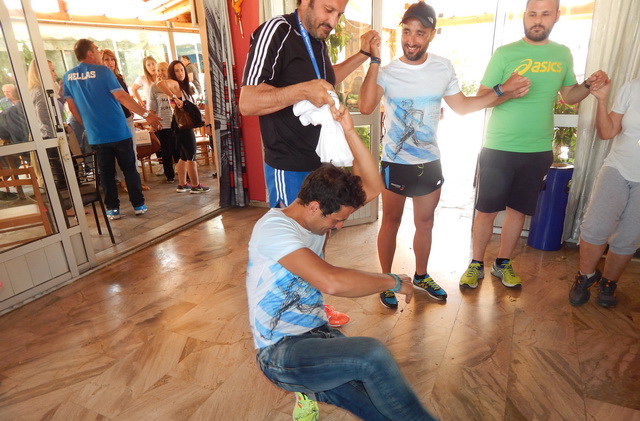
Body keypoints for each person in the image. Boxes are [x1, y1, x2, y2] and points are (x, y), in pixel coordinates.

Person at [247, 104, 517, 421]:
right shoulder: (273, 230)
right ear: (313, 206)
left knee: (385, 415)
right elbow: (331, 281)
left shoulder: (316, 213)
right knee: (371, 357)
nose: (339, 227)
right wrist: (390, 280)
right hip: (279, 353)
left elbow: (373, 186)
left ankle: (310, 388)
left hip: (316, 335)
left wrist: (348, 128)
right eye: (337, 220)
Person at [359, 2, 530, 309]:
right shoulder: (387, 72)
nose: (412, 40)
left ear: (431, 35)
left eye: (420, 33)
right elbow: (365, 106)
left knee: (425, 223)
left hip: (429, 162)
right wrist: (374, 61)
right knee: (391, 222)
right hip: (395, 162)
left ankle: (421, 276)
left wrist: (501, 91)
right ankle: (386, 281)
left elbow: (462, 106)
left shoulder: (442, 68)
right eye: (407, 31)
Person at [240, 0, 380, 327]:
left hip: (319, 162)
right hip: (288, 163)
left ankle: (311, 301)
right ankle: (288, 313)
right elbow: (247, 102)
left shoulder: (317, 40)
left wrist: (362, 55)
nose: (333, 20)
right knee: (294, 243)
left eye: (339, 14)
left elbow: (326, 81)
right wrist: (303, 90)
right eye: (328, 10)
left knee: (320, 233)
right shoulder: (277, 31)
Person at [459, 0, 608, 290]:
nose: (537, 20)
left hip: (538, 150)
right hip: (499, 146)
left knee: (518, 210)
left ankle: (503, 263)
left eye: (545, 14)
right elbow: (481, 98)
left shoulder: (562, 53)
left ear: (557, 17)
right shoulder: (505, 53)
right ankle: (476, 263)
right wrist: (506, 91)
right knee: (486, 211)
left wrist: (589, 85)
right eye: (532, 14)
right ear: (524, 16)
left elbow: (569, 96)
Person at [63, 39, 162, 220]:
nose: (99, 52)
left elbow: (72, 106)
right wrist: (147, 115)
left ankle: (112, 209)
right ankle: (138, 205)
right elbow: (121, 97)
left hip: (96, 134)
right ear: (90, 53)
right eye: (96, 49)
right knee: (129, 168)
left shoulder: (68, 76)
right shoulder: (103, 72)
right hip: (118, 130)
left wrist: (87, 125)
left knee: (106, 172)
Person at [569, 76, 640, 308]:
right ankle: (585, 276)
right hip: (618, 167)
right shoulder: (632, 87)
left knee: (629, 236)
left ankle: (609, 282)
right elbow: (607, 132)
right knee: (595, 226)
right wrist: (601, 100)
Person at [101, 48, 150, 192]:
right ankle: (124, 181)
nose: (110, 62)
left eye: (112, 59)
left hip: (126, 117)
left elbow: (126, 96)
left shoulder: (119, 78)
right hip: (114, 120)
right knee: (119, 152)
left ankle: (134, 181)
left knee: (132, 150)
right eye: (106, 59)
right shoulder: (102, 80)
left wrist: (131, 109)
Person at [157, 60, 210, 193]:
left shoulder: (184, 86)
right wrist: (175, 97)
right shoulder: (175, 83)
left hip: (179, 125)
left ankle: (182, 184)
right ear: (172, 73)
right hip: (182, 126)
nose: (180, 73)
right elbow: (160, 83)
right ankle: (195, 185)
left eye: (182, 70)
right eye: (176, 71)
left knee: (184, 156)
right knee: (191, 156)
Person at [149, 61, 176, 183]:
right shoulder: (154, 87)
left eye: (163, 70)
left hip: (176, 122)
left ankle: (184, 173)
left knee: (178, 149)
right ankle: (169, 175)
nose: (160, 73)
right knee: (166, 150)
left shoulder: (174, 84)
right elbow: (152, 106)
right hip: (163, 123)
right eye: (158, 70)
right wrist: (153, 122)